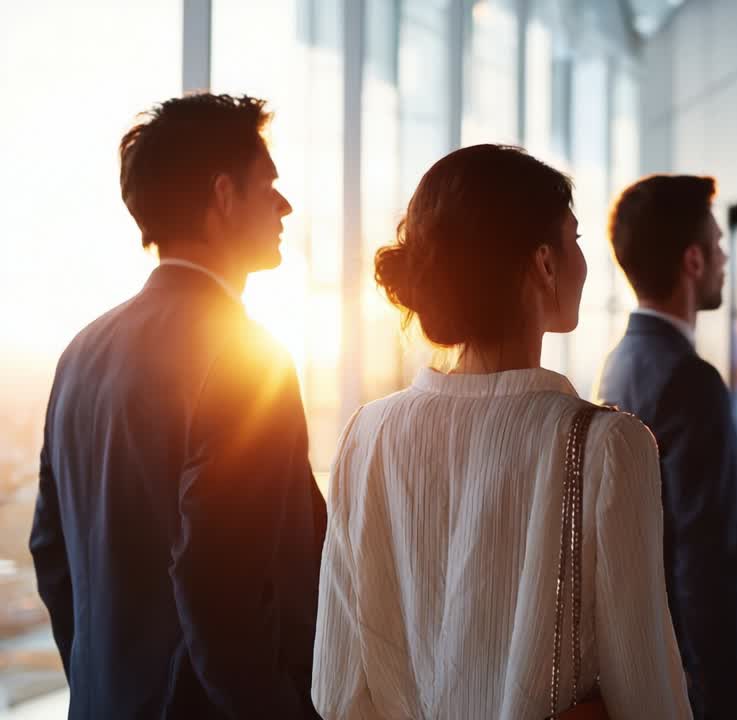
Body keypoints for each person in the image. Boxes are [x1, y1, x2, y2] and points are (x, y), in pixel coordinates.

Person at [310, 145, 691, 720]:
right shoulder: (606, 446)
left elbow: (335, 689)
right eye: (576, 239)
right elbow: (648, 696)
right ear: (543, 263)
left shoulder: (368, 435)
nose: (584, 263)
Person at [29, 93, 326, 718]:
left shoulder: (81, 352)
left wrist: (104, 679)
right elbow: (218, 586)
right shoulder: (246, 356)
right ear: (223, 196)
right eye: (268, 185)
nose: (284, 206)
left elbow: (51, 554)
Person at [596, 174, 737, 719]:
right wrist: (731, 694)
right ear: (693, 262)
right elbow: (707, 553)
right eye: (718, 246)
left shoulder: (622, 362)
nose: (725, 258)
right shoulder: (690, 378)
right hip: (707, 679)